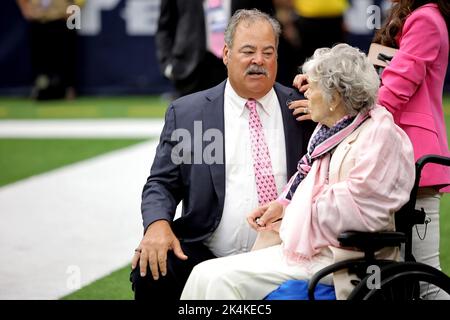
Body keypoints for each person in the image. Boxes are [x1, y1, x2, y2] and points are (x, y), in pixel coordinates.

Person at [180, 43, 415, 300]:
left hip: (344, 259)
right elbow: (307, 186)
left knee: (220, 281)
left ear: (334, 98)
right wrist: (282, 205)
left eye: (312, 87)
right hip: (312, 250)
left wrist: (293, 215)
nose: (305, 94)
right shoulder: (330, 130)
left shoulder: (380, 135)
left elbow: (357, 209)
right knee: (203, 273)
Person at [130, 9, 316, 302]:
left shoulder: (304, 110)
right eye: (248, 51)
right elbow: (162, 184)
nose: (259, 60)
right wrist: (157, 225)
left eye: (268, 52)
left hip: (285, 254)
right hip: (207, 251)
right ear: (226, 54)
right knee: (153, 268)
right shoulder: (190, 115)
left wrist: (327, 102)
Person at [373, 0, 450, 299]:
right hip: (401, 155)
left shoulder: (425, 19)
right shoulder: (420, 16)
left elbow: (393, 89)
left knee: (428, 280)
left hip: (414, 158)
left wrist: (342, 118)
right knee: (399, 276)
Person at [155, 0, 275, 99]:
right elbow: (165, 27)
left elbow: (266, 21)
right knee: (189, 122)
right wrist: (167, 65)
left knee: (234, 120)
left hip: (237, 63)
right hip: (189, 67)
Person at [16, 0, 82, 100]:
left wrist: (75, 8)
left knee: (65, 55)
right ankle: (40, 87)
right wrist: (25, 8)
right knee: (38, 56)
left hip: (61, 16)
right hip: (38, 16)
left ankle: (67, 88)